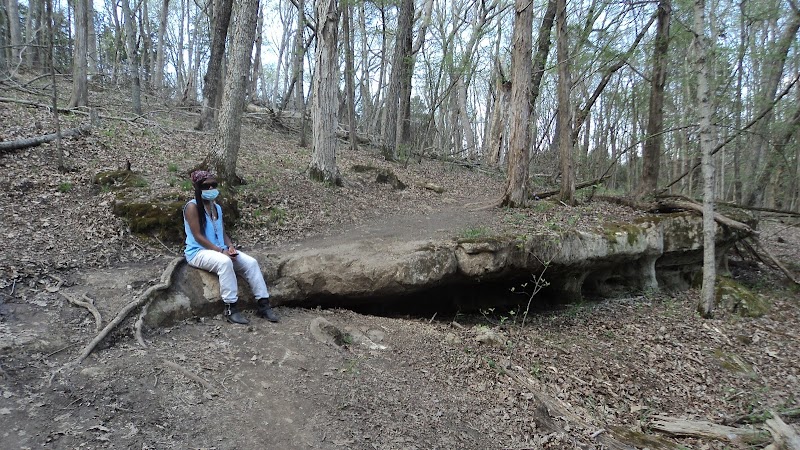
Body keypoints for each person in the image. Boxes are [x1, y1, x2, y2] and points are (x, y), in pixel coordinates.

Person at [183, 170, 279, 325]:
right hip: (198, 252)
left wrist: (230, 247)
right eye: (206, 186)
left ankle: (263, 304)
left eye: (214, 185)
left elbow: (223, 233)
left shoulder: (217, 208)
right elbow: (198, 236)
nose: (211, 189)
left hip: (220, 249)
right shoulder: (192, 207)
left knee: (251, 263)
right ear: (198, 187)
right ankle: (231, 309)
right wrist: (221, 251)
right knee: (224, 263)